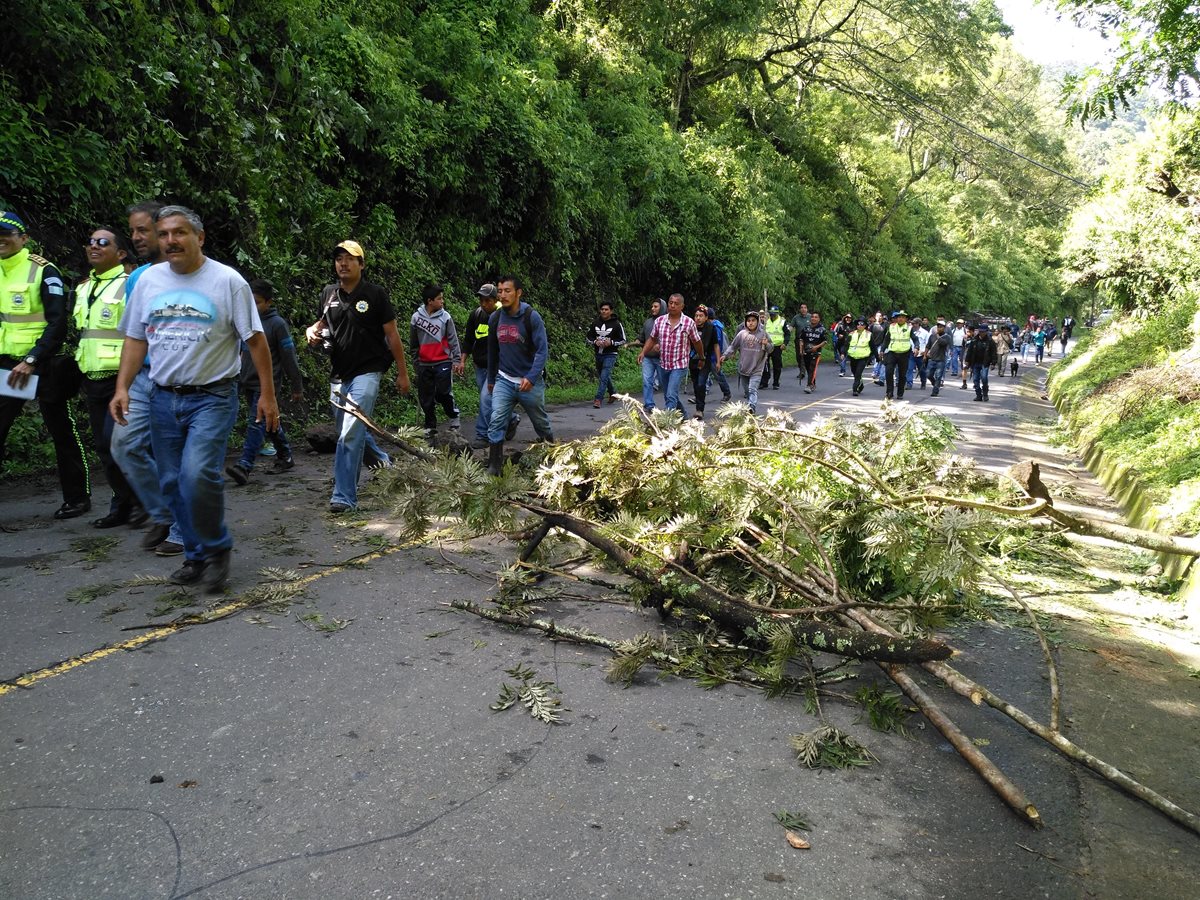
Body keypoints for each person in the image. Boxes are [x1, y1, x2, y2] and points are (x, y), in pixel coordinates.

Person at [109, 205, 279, 591]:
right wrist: (122, 387)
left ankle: (217, 549)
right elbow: (135, 339)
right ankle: (195, 555)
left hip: (213, 397)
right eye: (165, 234)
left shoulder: (227, 281)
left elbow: (255, 340)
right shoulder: (149, 281)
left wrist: (267, 396)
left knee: (196, 474)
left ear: (199, 238)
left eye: (180, 233)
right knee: (171, 482)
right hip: (161, 397)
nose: (171, 240)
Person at [305, 240, 411, 513]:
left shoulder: (375, 294)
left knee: (350, 431)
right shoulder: (328, 294)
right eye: (339, 258)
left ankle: (344, 496)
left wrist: (402, 373)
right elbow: (323, 323)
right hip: (339, 375)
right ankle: (382, 463)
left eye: (350, 259)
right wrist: (311, 331)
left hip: (368, 371)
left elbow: (392, 335)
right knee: (349, 430)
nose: (343, 263)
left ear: (361, 264)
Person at [0, 210, 91, 519]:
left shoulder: (43, 270)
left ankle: (77, 499)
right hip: (7, 366)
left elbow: (58, 324)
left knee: (61, 430)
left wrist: (32, 359)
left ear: (23, 238)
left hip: (42, 363)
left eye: (7, 234)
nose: (1, 240)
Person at [109, 201, 182, 554]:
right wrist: (122, 384)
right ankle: (162, 513)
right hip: (143, 378)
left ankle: (184, 528)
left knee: (177, 458)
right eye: (133, 231)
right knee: (123, 445)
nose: (137, 237)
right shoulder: (137, 278)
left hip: (182, 381)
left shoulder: (194, 271)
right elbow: (135, 335)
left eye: (143, 230)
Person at [73, 226, 144, 527]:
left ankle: (142, 502)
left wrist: (128, 381)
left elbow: (139, 335)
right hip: (92, 379)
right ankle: (124, 503)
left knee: (122, 446)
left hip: (122, 380)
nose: (94, 246)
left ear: (121, 253)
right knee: (104, 448)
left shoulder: (129, 285)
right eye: (90, 242)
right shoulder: (83, 288)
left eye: (103, 242)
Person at [225, 280, 304, 485]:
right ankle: (285, 455)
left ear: (269, 302)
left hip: (266, 385)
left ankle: (244, 465)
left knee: (257, 422)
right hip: (247, 381)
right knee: (269, 421)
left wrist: (297, 386)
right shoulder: (247, 322)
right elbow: (242, 352)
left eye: (257, 302)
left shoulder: (277, 325)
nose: (253, 306)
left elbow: (289, 357)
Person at [485, 275, 555, 474]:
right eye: (500, 291)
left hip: (529, 382)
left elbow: (542, 350)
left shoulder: (531, 316)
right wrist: (491, 379)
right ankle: (494, 467)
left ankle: (551, 453)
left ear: (518, 293)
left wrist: (531, 377)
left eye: (507, 291)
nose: (503, 295)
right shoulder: (495, 318)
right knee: (497, 418)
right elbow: (492, 350)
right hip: (504, 379)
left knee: (540, 423)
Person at [463, 283, 519, 449]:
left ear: (495, 300)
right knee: (492, 400)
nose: (484, 303)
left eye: (487, 300)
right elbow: (468, 339)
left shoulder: (504, 316)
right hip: (480, 365)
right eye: (481, 300)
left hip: (498, 367)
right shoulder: (476, 315)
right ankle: (511, 419)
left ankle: (483, 434)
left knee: (485, 399)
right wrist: (462, 360)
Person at [410, 282, 462, 442]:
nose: (442, 301)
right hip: (424, 362)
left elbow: (453, 339)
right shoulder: (416, 318)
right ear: (429, 301)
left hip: (443, 361)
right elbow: (414, 343)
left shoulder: (445, 317)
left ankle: (454, 417)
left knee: (443, 392)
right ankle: (430, 425)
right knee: (426, 396)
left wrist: (457, 359)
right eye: (439, 299)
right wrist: (416, 361)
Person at [639, 293, 703, 415]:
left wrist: (701, 357)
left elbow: (697, 341)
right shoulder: (660, 321)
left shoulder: (688, 323)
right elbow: (652, 339)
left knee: (670, 395)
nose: (672, 306)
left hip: (679, 364)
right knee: (669, 394)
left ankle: (668, 423)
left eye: (676, 304)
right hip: (664, 364)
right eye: (670, 303)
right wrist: (643, 352)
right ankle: (683, 417)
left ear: (682, 306)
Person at [721, 311, 773, 414]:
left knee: (752, 389)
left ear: (758, 322)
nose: (751, 323)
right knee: (747, 390)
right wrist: (725, 355)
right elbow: (733, 346)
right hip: (743, 367)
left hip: (757, 368)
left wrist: (766, 344)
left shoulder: (763, 334)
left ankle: (751, 407)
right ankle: (750, 403)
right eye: (748, 321)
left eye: (753, 320)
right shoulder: (742, 334)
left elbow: (771, 349)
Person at [587, 300, 626, 408]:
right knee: (603, 376)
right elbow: (589, 337)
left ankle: (598, 399)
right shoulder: (595, 323)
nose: (604, 311)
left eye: (606, 309)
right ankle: (613, 393)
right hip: (598, 353)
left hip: (611, 353)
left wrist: (611, 342)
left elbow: (623, 339)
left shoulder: (617, 324)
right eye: (602, 309)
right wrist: (595, 342)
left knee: (604, 376)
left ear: (611, 311)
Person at [689, 305, 718, 420]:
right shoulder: (690, 328)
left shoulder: (711, 328)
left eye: (701, 316)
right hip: (692, 360)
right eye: (696, 316)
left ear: (706, 317)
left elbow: (716, 345)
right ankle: (699, 405)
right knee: (696, 384)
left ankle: (699, 409)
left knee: (701, 383)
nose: (698, 318)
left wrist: (718, 361)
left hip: (705, 360)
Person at [638, 298, 663, 411]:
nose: (653, 308)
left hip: (662, 359)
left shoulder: (666, 322)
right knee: (647, 381)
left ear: (662, 308)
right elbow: (642, 337)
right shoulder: (648, 322)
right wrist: (638, 341)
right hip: (648, 357)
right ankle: (649, 404)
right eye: (652, 306)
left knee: (665, 383)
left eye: (656, 306)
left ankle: (671, 405)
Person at [883, 310, 912, 401]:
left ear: (906, 319)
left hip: (904, 353)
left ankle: (900, 393)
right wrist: (882, 350)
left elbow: (915, 339)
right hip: (892, 352)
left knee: (902, 375)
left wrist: (917, 347)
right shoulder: (891, 327)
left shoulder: (909, 328)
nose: (900, 319)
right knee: (888, 372)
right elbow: (886, 340)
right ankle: (889, 392)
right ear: (896, 318)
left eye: (903, 317)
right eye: (899, 317)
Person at [965, 323, 997, 401]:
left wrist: (993, 363)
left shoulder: (990, 341)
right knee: (975, 380)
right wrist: (967, 361)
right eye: (980, 331)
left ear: (986, 332)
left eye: (983, 331)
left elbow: (993, 353)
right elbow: (969, 351)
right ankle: (978, 395)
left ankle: (985, 394)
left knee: (984, 378)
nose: (981, 333)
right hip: (975, 362)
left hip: (985, 363)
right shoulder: (974, 340)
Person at [758, 305, 788, 390]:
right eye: (771, 314)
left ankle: (776, 382)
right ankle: (764, 382)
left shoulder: (782, 321)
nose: (772, 315)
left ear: (777, 314)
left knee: (777, 365)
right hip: (767, 346)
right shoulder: (765, 321)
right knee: (764, 364)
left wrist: (785, 343)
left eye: (774, 314)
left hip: (777, 346)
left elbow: (787, 334)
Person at [798, 312, 828, 394]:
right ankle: (813, 383)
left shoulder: (822, 329)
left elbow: (825, 341)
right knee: (808, 369)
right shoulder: (806, 328)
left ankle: (809, 385)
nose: (813, 318)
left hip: (816, 353)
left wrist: (816, 347)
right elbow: (801, 339)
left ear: (819, 319)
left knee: (812, 368)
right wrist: (801, 349)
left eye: (816, 317)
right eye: (812, 317)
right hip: (806, 351)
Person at [846, 317, 873, 396]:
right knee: (854, 372)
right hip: (853, 356)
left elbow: (873, 346)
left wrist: (876, 357)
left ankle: (855, 389)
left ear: (865, 326)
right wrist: (843, 353)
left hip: (863, 357)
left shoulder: (869, 334)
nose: (859, 326)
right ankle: (860, 384)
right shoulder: (851, 334)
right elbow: (846, 344)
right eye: (858, 324)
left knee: (858, 373)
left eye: (862, 324)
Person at [925, 320, 953, 397]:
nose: (939, 328)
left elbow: (943, 343)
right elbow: (928, 346)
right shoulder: (932, 336)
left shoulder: (947, 337)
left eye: (941, 327)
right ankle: (935, 384)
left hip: (941, 360)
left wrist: (938, 336)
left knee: (938, 376)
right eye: (938, 327)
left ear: (944, 328)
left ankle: (935, 391)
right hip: (932, 359)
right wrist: (925, 355)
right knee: (928, 374)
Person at [789, 303, 810, 381]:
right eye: (802, 308)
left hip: (809, 340)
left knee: (807, 356)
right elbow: (791, 327)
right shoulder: (796, 318)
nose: (803, 309)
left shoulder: (810, 317)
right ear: (799, 309)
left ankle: (807, 371)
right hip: (799, 339)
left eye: (805, 307)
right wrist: (787, 332)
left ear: (807, 309)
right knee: (799, 356)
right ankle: (802, 371)